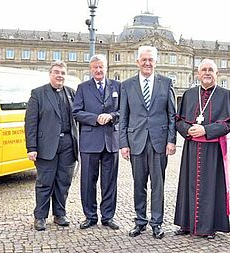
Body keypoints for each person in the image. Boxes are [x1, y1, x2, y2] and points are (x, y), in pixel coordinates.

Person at [173, 59, 230, 239]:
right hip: (192, 147)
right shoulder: (189, 94)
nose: (207, 73)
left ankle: (210, 227)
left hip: (213, 150)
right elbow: (178, 120)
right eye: (204, 70)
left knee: (212, 188)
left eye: (211, 70)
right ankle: (186, 224)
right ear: (198, 73)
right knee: (188, 185)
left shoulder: (226, 95)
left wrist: (206, 130)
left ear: (217, 74)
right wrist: (188, 130)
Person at [119, 45, 177, 239]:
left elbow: (171, 115)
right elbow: (123, 117)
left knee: (158, 185)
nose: (147, 63)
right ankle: (140, 221)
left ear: (155, 62)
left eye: (150, 60)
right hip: (136, 141)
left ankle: (157, 223)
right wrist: (123, 144)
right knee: (139, 184)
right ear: (138, 62)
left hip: (159, 142)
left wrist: (171, 140)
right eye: (144, 59)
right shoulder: (127, 85)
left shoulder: (166, 83)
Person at [25, 60, 79, 231]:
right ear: (50, 74)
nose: (59, 75)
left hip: (68, 145)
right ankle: (40, 216)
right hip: (46, 146)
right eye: (56, 72)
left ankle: (60, 214)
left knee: (63, 182)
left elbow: (78, 119)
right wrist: (31, 147)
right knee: (44, 183)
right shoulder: (38, 94)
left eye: (63, 73)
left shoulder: (72, 93)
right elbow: (30, 123)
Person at [72, 54, 120, 230]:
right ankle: (90, 216)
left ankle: (108, 217)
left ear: (106, 68)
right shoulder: (83, 88)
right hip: (90, 141)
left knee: (109, 181)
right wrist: (95, 118)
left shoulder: (117, 86)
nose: (98, 70)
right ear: (90, 69)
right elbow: (76, 112)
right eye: (95, 67)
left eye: (101, 67)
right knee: (88, 181)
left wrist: (112, 116)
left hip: (111, 141)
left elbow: (124, 111)